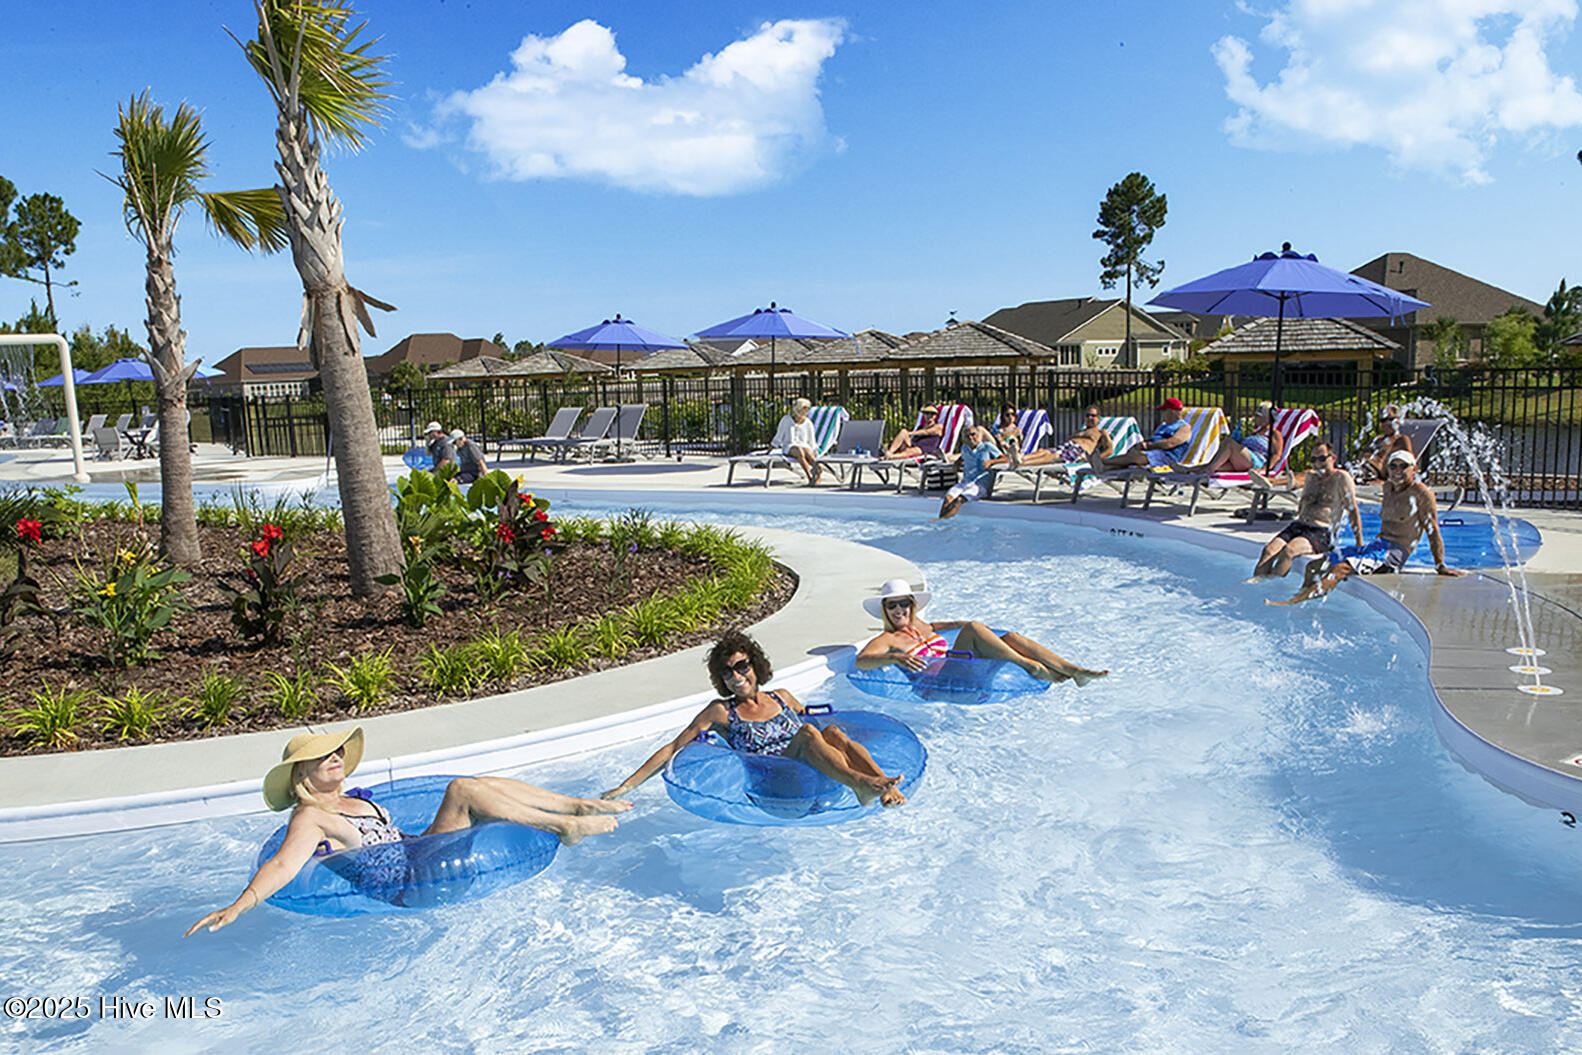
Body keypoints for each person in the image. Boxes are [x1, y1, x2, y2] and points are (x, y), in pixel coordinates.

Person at [185, 727, 628, 935]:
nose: (335, 758)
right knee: (461, 791)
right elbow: (284, 864)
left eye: (336, 751)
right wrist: (239, 905)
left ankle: (576, 805)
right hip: (410, 883)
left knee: (477, 784)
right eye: (322, 757)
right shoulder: (311, 817)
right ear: (301, 773)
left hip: (418, 855)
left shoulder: (350, 799)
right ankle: (564, 826)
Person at [603, 630, 907, 807]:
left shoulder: (782, 697)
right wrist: (626, 786)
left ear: (755, 665)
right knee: (807, 734)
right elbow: (673, 748)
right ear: (721, 679)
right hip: (772, 784)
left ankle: (885, 787)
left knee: (832, 732)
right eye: (727, 672)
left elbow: (827, 735)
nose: (737, 677)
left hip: (811, 775)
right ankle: (860, 784)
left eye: (742, 666)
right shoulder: (721, 711)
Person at [1270, 450, 1465, 606]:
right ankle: (1303, 599)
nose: (1397, 470)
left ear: (1414, 469)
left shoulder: (1421, 493)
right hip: (1376, 546)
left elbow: (1432, 529)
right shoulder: (1388, 487)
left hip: (1394, 553)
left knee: (1340, 568)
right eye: (1393, 466)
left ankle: (1292, 603)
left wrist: (1440, 565)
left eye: (1403, 466)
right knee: (1315, 565)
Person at [856, 578, 1107, 685]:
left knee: (1010, 638)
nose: (898, 610)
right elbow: (862, 661)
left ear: (912, 605)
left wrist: (964, 623)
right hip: (942, 681)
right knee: (973, 629)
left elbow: (943, 626)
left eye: (903, 603)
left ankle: (1075, 671)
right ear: (884, 610)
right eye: (892, 605)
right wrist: (896, 657)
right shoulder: (887, 639)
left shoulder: (923, 626)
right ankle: (1030, 666)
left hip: (958, 668)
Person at [1249, 442, 1364, 579]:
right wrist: (1291, 483)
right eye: (1313, 460)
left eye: (1322, 459)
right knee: (1268, 550)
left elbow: (1352, 510)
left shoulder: (1341, 478)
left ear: (1333, 458)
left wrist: (1359, 543)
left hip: (1321, 532)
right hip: (1299, 525)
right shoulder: (1311, 477)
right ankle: (1255, 585)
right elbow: (1298, 488)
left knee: (1289, 551)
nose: (1317, 463)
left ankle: (1272, 586)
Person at [1169, 402, 1282, 476]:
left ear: (1267, 418)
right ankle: (1187, 470)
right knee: (1217, 466)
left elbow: (1277, 455)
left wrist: (1264, 470)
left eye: (1258, 415)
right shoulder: (1254, 432)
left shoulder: (1274, 433)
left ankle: (1207, 470)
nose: (1255, 417)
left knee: (1228, 443)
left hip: (1256, 462)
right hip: (1242, 461)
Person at [1095, 397, 1190, 469]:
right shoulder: (1163, 425)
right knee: (1133, 454)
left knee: (1136, 457)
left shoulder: (1184, 427)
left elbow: (1170, 443)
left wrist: (1148, 446)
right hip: (1153, 453)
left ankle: (1102, 462)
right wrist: (1141, 445)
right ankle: (1103, 467)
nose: (1162, 413)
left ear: (1172, 411)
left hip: (1166, 457)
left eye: (1163, 411)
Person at [1009, 405, 1114, 468]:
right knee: (1043, 451)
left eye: (1093, 415)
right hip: (1066, 447)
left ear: (1098, 418)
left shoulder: (1101, 432)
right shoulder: (1081, 431)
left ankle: (1022, 464)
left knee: (1053, 456)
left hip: (1078, 451)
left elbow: (1110, 450)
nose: (1090, 418)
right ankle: (1021, 459)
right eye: (1087, 415)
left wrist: (1093, 459)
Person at [938, 423, 1001, 519]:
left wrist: (991, 461)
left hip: (980, 485)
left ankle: (942, 522)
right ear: (964, 439)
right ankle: (940, 521)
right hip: (965, 483)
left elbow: (1005, 458)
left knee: (959, 500)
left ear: (978, 435)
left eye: (973, 434)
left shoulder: (987, 447)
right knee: (947, 499)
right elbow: (962, 457)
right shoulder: (965, 448)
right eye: (967, 436)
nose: (971, 438)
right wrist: (957, 463)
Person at [771, 397, 822, 485]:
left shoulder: (808, 423)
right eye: (805, 408)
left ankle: (818, 474)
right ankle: (809, 476)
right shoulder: (786, 420)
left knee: (807, 453)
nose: (807, 410)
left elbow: (811, 441)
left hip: (805, 446)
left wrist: (814, 453)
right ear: (799, 408)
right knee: (799, 450)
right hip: (790, 446)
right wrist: (771, 448)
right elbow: (779, 436)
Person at [1361, 404, 1412, 481]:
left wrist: (1387, 450)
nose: (1385, 424)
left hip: (1380, 475)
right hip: (1366, 470)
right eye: (1383, 420)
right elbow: (1363, 456)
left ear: (1398, 421)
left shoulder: (1402, 440)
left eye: (1390, 419)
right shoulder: (1377, 439)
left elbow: (1408, 463)